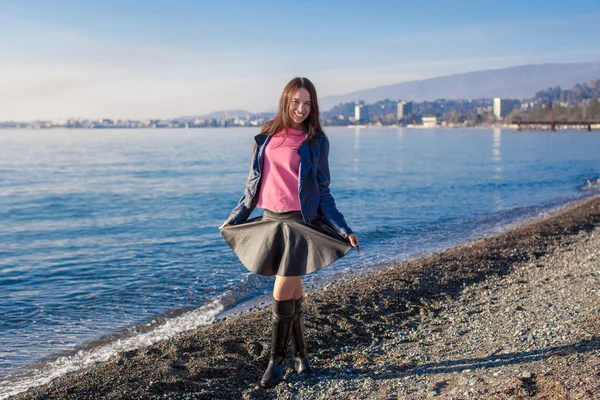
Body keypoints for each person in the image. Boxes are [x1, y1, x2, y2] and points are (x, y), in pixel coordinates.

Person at [219, 77, 360, 388]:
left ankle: (276, 360)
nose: (301, 108)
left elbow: (323, 193)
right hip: (270, 222)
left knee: (281, 290)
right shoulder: (266, 137)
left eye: (307, 103)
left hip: (300, 225)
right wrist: (235, 218)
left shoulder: (316, 141)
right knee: (293, 292)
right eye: (296, 102)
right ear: (285, 101)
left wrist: (343, 229)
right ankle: (301, 357)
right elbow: (252, 186)